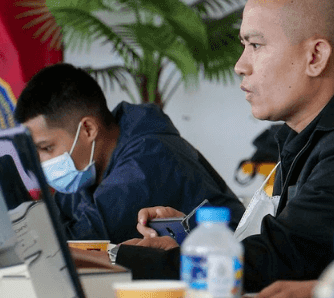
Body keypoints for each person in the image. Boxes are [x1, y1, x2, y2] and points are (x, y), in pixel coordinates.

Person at [118, 0, 334, 292]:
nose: (240, 65)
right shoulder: (309, 135)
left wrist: (117, 263)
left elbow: (278, 260)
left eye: (255, 45)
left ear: (315, 56)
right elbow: (279, 245)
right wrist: (190, 248)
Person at [14, 63, 244, 244]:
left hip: (233, 278)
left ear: (88, 129)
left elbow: (74, 242)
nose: (40, 161)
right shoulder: (89, 168)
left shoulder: (148, 159)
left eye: (46, 148)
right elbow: (48, 223)